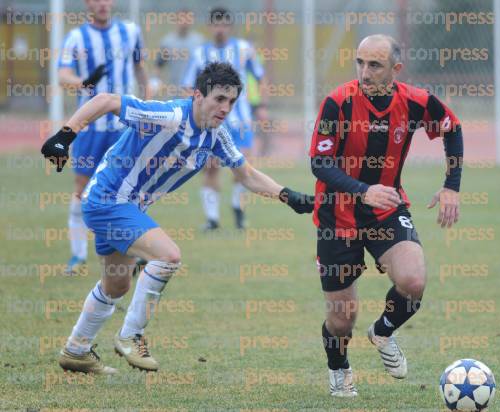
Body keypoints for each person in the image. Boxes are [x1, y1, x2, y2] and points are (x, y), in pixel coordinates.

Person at [41, 62, 313, 374]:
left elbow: (246, 174)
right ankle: (130, 335)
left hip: (127, 208)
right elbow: (106, 101)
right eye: (219, 99)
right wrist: (64, 136)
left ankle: (76, 350)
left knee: (116, 285)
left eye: (232, 102)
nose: (225, 108)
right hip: (108, 200)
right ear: (199, 95)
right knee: (168, 256)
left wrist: (287, 195)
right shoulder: (171, 116)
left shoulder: (216, 135)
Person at [309, 35, 464, 397]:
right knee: (342, 319)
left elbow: (451, 128)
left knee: (413, 280)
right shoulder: (337, 103)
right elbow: (319, 162)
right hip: (337, 217)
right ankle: (339, 368)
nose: (364, 72)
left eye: (374, 65)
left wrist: (451, 186)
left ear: (396, 69)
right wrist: (364, 190)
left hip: (386, 210)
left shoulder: (415, 102)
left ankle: (383, 332)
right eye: (360, 63)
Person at [58, 0, 148, 274]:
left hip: (123, 127)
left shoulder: (130, 32)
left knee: (128, 189)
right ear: (88, 3)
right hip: (90, 128)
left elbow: (140, 69)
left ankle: (133, 250)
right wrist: (83, 83)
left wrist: (148, 109)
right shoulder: (76, 37)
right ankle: (77, 256)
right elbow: (63, 75)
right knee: (82, 189)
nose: (102, 4)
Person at [181, 7, 267, 230]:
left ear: (229, 26)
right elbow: (189, 86)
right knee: (211, 167)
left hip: (240, 119)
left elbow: (259, 76)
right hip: (210, 122)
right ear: (210, 27)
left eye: (223, 24)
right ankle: (212, 219)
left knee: (244, 166)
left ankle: (237, 206)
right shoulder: (200, 53)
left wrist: (262, 106)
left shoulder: (244, 49)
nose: (220, 28)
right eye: (215, 24)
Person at [153, 9, 204, 97]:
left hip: (194, 94)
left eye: (187, 19)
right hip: (174, 93)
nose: (184, 22)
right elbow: (158, 66)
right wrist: (157, 83)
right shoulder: (167, 42)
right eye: (181, 19)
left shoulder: (199, 42)